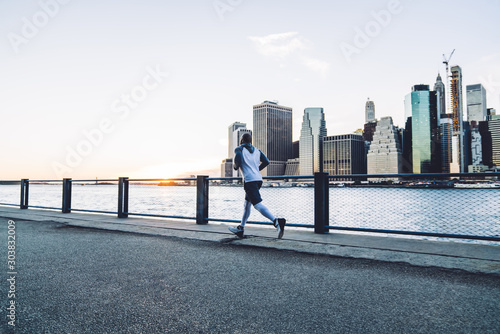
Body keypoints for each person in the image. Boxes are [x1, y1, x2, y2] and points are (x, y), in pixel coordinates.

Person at [228, 133, 286, 238]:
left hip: (249, 181)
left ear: (241, 140)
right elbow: (266, 161)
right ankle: (241, 228)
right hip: (258, 179)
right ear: (250, 141)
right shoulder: (257, 150)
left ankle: (276, 222)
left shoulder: (239, 149)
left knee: (257, 204)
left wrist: (235, 165)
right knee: (247, 205)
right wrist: (256, 170)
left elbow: (237, 163)